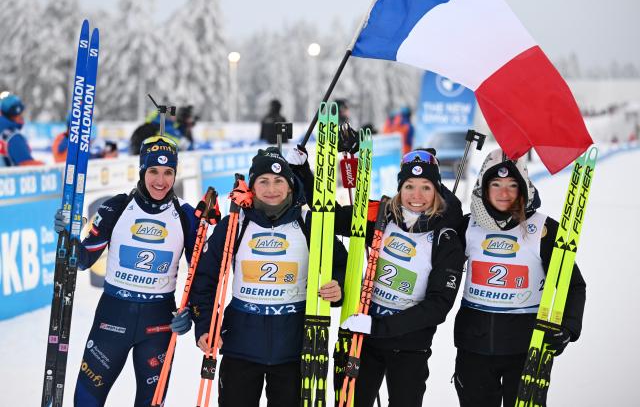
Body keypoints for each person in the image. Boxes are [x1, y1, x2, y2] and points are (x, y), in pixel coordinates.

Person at [290, 147, 466, 407]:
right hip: (365, 342)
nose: (416, 196)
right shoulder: (383, 215)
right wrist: (303, 172)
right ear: (399, 188)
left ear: (437, 189)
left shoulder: (446, 237)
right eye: (409, 186)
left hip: (410, 346)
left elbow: (438, 306)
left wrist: (379, 327)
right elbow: (332, 217)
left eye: (426, 187)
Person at [189, 147, 347, 407]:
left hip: (295, 350)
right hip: (240, 347)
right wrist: (205, 325)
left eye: (278, 181)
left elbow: (341, 264)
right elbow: (205, 279)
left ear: (290, 186)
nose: (271, 188)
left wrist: (337, 287)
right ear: (252, 186)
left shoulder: (310, 223)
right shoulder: (235, 224)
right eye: (263, 181)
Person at [53, 136, 198, 406]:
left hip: (159, 322)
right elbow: (83, 260)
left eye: (168, 172)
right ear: (142, 171)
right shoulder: (116, 207)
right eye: (153, 171)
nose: (161, 180)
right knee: (86, 400)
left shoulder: (186, 216)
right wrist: (67, 235)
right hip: (113, 317)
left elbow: (199, 276)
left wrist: (192, 314)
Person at [452, 149, 586, 407]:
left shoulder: (544, 230)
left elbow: (573, 285)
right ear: (483, 185)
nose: (504, 193)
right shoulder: (468, 226)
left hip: (526, 349)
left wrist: (567, 327)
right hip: (474, 347)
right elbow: (435, 263)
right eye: (496, 184)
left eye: (513, 185)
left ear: (524, 187)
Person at [0, 94, 44, 166]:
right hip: (10, 176)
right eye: (19, 114)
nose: (21, 117)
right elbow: (27, 165)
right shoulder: (13, 137)